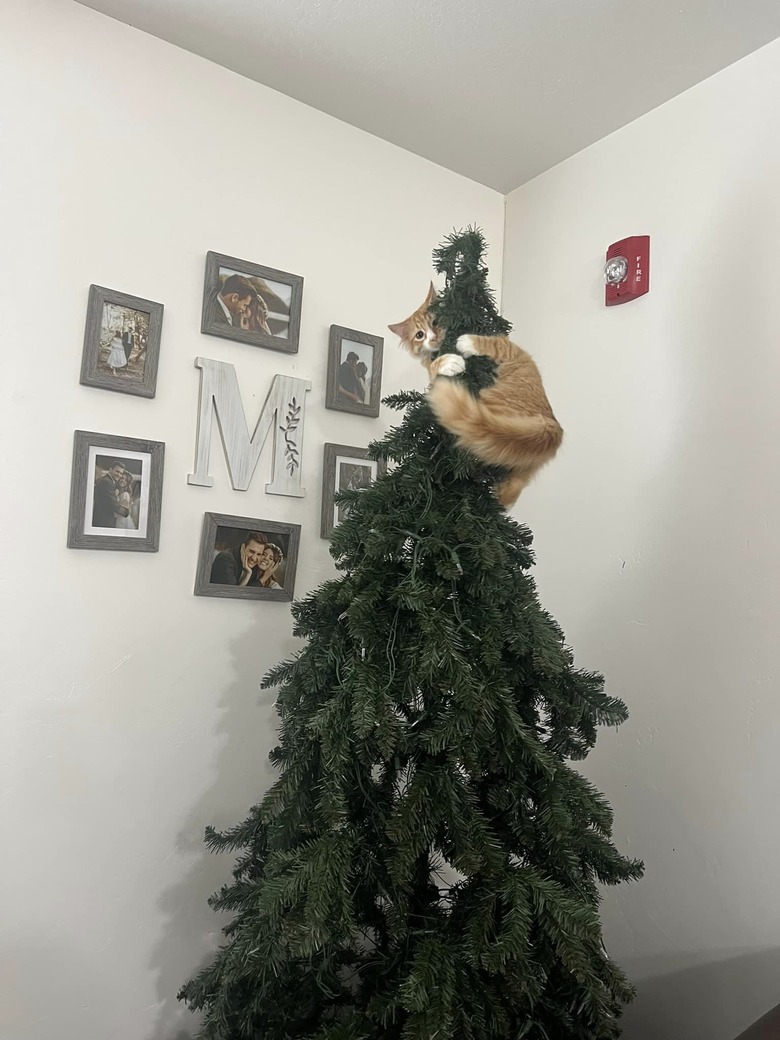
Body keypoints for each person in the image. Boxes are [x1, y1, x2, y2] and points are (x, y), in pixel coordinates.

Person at [92, 460, 129, 528]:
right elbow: (114, 505)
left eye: (121, 473)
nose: (119, 475)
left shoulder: (106, 480)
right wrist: (127, 512)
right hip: (104, 522)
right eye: (117, 471)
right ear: (110, 469)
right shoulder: (107, 482)